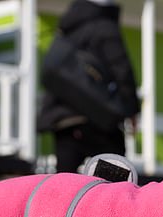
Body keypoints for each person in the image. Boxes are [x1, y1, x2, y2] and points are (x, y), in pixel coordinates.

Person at [38, 0, 139, 173]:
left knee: (64, 184)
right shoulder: (105, 27)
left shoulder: (67, 28)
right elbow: (122, 70)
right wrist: (132, 109)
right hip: (96, 117)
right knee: (114, 176)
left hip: (62, 120)